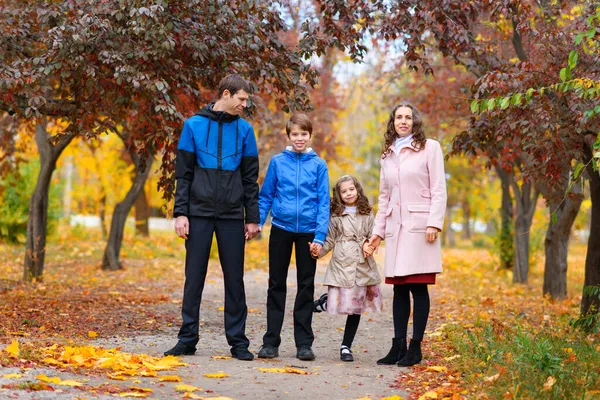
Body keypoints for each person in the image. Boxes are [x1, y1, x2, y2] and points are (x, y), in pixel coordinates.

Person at [164, 74, 260, 361]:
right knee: (194, 278)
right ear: (227, 94)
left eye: (247, 100)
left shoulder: (245, 131)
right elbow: (183, 174)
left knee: (235, 279)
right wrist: (180, 212)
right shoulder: (193, 125)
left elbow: (250, 179)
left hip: (232, 215)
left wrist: (251, 217)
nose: (245, 104)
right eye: (242, 99)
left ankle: (238, 342)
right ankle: (187, 338)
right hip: (198, 213)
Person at [368, 102, 447, 367]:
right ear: (393, 122)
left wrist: (434, 223)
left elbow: (438, 188)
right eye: (399, 117)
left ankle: (415, 348)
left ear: (415, 122)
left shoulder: (430, 148)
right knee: (399, 289)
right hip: (396, 228)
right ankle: (397, 346)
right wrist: (377, 233)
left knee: (418, 286)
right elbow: (384, 196)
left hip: (421, 228)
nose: (403, 121)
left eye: (408, 117)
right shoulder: (387, 154)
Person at [256, 113, 330, 361]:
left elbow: (323, 203)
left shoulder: (319, 165)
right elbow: (266, 195)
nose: (300, 138)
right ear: (288, 136)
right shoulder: (277, 162)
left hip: (308, 232)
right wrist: (257, 221)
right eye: (295, 134)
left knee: (305, 286)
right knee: (276, 284)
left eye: (304, 134)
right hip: (281, 228)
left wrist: (320, 236)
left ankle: (304, 344)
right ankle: (270, 342)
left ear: (310, 136)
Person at [313, 175, 383, 362]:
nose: (348, 193)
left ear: (357, 189)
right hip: (342, 263)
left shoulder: (367, 212)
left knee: (355, 307)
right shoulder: (335, 215)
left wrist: (371, 244)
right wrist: (317, 251)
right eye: (344, 191)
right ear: (338, 195)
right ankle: (325, 302)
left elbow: (373, 234)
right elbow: (329, 239)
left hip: (361, 264)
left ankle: (346, 346)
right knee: (341, 302)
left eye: (351, 189)